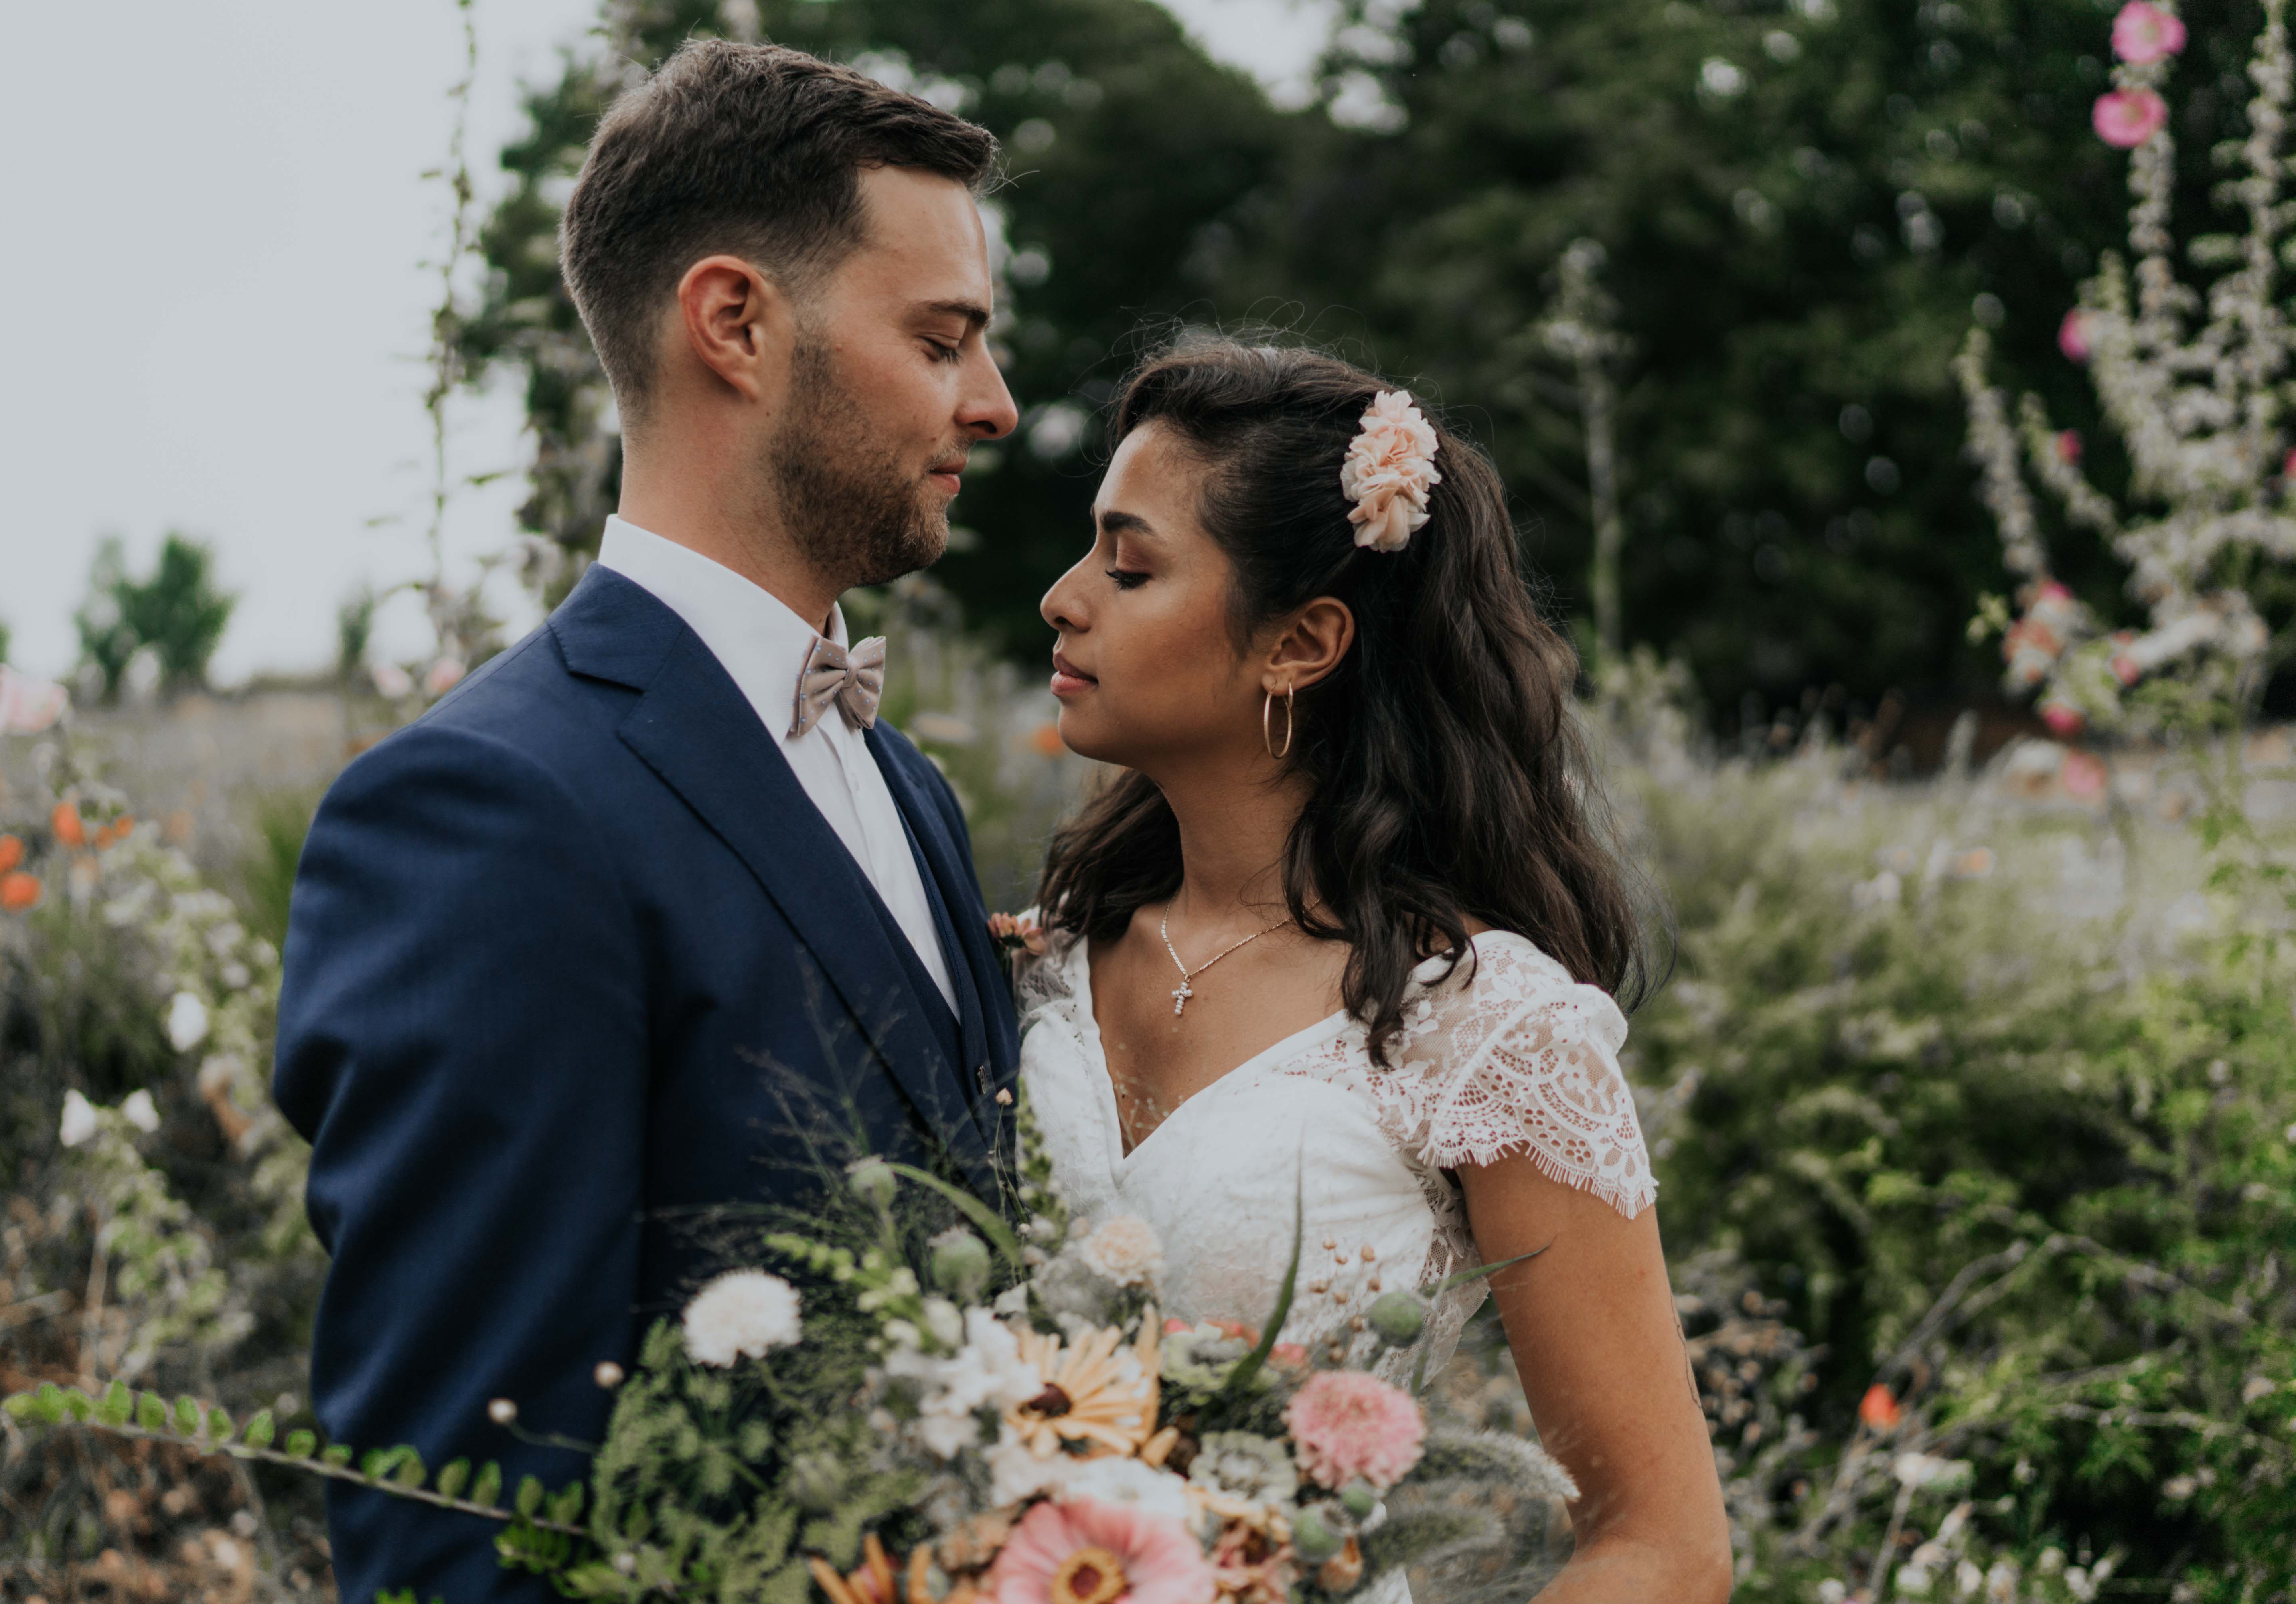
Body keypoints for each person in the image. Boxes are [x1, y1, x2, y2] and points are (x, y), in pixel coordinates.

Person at [272, 41, 1021, 1602]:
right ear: (736, 323)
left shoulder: (914, 792)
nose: (995, 405)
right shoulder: (482, 812)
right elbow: (455, 1521)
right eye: (943, 339)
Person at [1018, 335, 1731, 1600]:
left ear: (1302, 643)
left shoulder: (1484, 1030)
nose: (1064, 597)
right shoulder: (1038, 964)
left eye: (1129, 567)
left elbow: (1662, 1546)